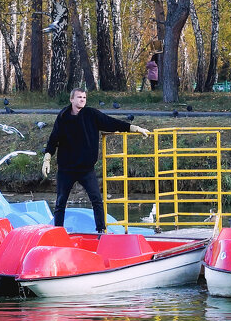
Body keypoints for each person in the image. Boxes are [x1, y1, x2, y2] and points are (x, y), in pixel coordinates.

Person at [42, 88, 151, 234]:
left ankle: (101, 230)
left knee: (96, 200)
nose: (82, 99)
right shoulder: (63, 116)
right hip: (66, 168)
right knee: (60, 202)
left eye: (84, 97)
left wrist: (134, 128)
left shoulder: (91, 114)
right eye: (79, 97)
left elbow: (111, 122)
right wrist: (47, 158)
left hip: (86, 169)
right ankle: (57, 232)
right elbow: (54, 138)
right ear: (71, 99)